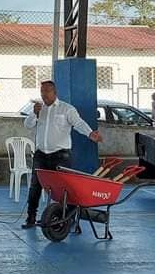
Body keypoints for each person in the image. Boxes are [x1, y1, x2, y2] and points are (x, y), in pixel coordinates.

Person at [21, 80, 103, 230]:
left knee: (66, 189)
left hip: (60, 155)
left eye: (47, 91)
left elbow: (78, 123)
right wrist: (34, 113)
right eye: (42, 91)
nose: (44, 94)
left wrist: (90, 134)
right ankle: (31, 218)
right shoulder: (39, 109)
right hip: (41, 154)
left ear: (54, 92)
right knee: (35, 186)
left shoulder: (66, 109)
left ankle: (68, 219)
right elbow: (27, 125)